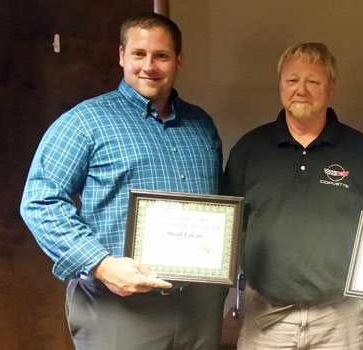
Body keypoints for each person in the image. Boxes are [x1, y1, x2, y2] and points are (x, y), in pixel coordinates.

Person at [20, 13, 228, 350]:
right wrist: (100, 264)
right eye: (138, 54)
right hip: (118, 308)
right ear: (121, 56)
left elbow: (215, 204)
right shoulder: (84, 122)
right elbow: (40, 201)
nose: (149, 66)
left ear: (178, 60)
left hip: (197, 308)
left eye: (161, 55)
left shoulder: (202, 125)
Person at [224, 42, 363, 350]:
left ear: (331, 87)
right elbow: (229, 229)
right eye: (292, 80)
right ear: (280, 85)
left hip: (341, 320)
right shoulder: (249, 150)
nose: (301, 89)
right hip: (265, 318)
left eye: (313, 81)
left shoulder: (362, 153)